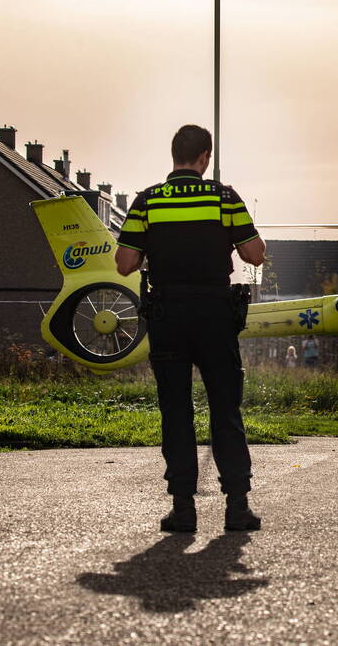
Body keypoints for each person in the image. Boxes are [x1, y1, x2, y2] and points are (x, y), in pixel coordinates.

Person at [115, 124, 266, 534]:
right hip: (215, 314)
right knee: (225, 409)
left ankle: (183, 509)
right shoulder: (224, 197)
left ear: (174, 156)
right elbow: (255, 254)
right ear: (205, 158)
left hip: (168, 315)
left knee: (176, 411)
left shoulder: (147, 201)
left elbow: (125, 263)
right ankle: (237, 507)